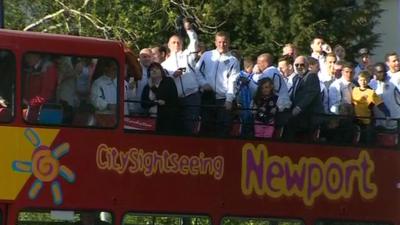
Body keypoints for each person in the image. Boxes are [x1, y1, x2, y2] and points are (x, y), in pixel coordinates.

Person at [195, 31, 240, 135]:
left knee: (223, 128)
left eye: (224, 42)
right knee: (206, 126)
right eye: (219, 42)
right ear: (215, 42)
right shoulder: (207, 55)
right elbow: (197, 71)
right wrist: (203, 83)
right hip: (208, 96)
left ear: (229, 42)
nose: (222, 45)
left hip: (223, 99)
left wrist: (229, 99)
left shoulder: (233, 60)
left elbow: (233, 81)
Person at [162, 20, 200, 134]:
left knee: (190, 127)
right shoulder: (164, 64)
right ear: (168, 45)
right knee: (177, 128)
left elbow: (194, 42)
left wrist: (189, 30)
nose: (176, 45)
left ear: (182, 44)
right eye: (173, 42)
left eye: (178, 42)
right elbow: (164, 79)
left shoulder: (187, 55)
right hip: (176, 99)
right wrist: (173, 75)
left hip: (191, 96)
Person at [285, 56, 323, 140]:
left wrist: (298, 108)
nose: (299, 67)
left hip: (310, 116)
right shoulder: (295, 78)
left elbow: (310, 95)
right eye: (297, 65)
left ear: (307, 65)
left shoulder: (312, 76)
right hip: (299, 117)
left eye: (302, 65)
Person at [352, 71, 390, 143]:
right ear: (358, 80)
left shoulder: (371, 92)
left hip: (367, 121)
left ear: (369, 80)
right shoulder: (354, 90)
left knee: (367, 141)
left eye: (365, 80)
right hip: (356, 121)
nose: (363, 82)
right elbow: (352, 104)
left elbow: (380, 104)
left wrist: (387, 114)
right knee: (356, 141)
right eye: (361, 80)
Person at [141, 62, 179, 133]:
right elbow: (143, 104)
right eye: (151, 70)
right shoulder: (147, 87)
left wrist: (152, 87)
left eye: (157, 69)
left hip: (166, 119)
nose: (154, 71)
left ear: (161, 71)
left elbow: (171, 99)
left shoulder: (168, 81)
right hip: (151, 119)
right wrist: (154, 103)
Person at [23, 53, 58, 122]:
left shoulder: (48, 68)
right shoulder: (31, 68)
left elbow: (46, 95)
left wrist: (29, 103)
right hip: (31, 111)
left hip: (43, 114)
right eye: (26, 57)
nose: (27, 59)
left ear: (37, 56)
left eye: (29, 56)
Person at [370, 63, 400, 129]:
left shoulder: (394, 82)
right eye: (379, 72)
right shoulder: (371, 85)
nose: (383, 74)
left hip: (395, 121)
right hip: (379, 124)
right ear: (374, 73)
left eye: (384, 71)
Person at [90, 59, 118, 127]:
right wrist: (108, 105)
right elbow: (95, 100)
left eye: (117, 69)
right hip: (103, 117)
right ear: (106, 68)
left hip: (120, 117)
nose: (116, 71)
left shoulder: (123, 82)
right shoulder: (98, 83)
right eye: (114, 69)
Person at [235, 57, 255, 136]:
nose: (253, 69)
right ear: (247, 67)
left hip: (249, 100)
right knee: (242, 120)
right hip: (242, 100)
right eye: (252, 67)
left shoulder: (251, 75)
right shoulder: (240, 76)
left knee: (249, 119)